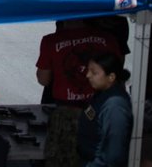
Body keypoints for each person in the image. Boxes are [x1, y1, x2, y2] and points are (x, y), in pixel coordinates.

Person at [37, 19, 122, 167]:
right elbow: (118, 76)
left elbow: (44, 79)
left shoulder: (51, 41)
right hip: (101, 111)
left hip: (66, 114)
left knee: (62, 160)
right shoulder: (108, 39)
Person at [77, 51, 133, 167]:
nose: (88, 75)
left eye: (94, 72)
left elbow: (112, 154)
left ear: (111, 77)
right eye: (88, 70)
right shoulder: (101, 93)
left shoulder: (115, 105)